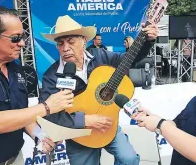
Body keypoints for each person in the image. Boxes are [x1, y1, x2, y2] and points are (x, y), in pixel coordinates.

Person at [39, 15, 158, 165]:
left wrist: (147, 41)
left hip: (108, 126)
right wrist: (85, 120)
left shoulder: (100, 56)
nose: (65, 48)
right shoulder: (51, 76)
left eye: (70, 42)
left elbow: (128, 59)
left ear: (83, 41)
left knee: (130, 159)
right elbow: (49, 114)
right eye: (60, 43)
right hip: (78, 135)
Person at [0, 6, 74, 165]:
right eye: (15, 38)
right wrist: (47, 106)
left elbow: (21, 113)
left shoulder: (15, 67)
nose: (23, 43)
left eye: (23, 36)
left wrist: (39, 135)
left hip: (15, 158)